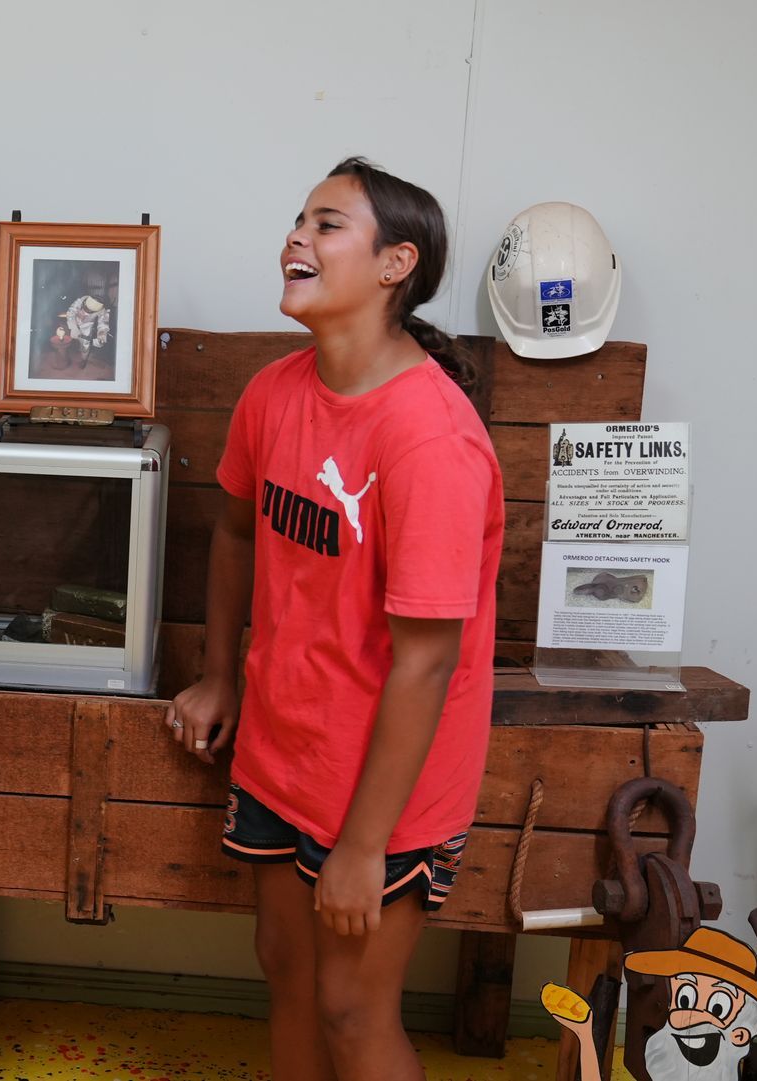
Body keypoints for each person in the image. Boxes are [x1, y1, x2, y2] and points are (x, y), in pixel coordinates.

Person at [167, 156, 505, 1081]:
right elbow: (236, 532)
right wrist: (219, 673)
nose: (296, 238)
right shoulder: (274, 391)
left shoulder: (429, 438)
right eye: (298, 220)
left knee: (352, 1008)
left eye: (326, 224)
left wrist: (363, 846)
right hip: (285, 749)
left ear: (397, 264)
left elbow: (427, 664)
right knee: (286, 971)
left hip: (388, 789)